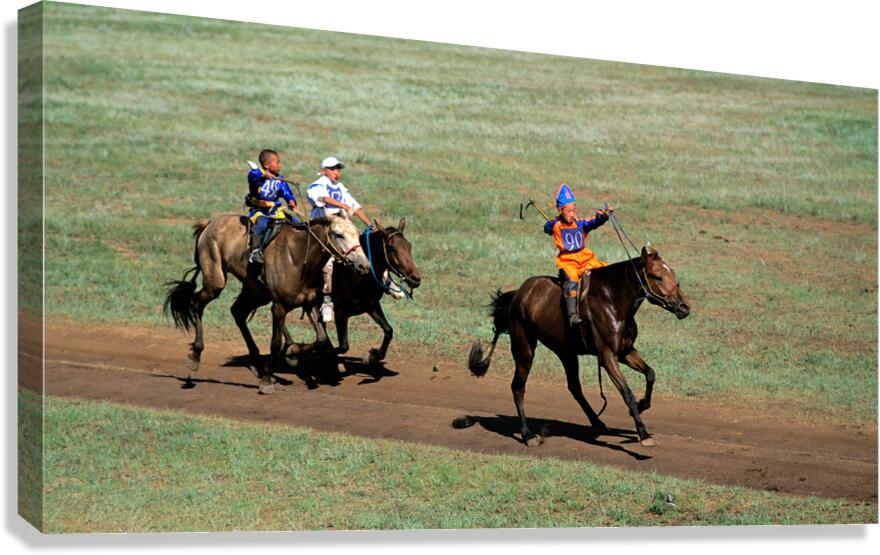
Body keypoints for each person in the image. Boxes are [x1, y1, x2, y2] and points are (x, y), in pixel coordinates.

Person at [307, 156, 403, 323]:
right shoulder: (318, 184)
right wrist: (342, 206)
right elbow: (323, 199)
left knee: (367, 250)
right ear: (323, 171)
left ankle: (387, 281)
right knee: (327, 264)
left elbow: (355, 206)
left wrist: (368, 223)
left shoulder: (341, 187)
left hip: (343, 227)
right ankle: (327, 299)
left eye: (338, 169)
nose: (337, 172)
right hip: (324, 230)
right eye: (333, 169)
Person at [543, 183, 612, 326]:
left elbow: (594, 222)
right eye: (569, 211)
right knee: (572, 282)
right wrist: (552, 223)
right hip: (568, 262)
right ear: (560, 210)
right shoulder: (555, 225)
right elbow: (547, 228)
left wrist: (604, 216)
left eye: (574, 211)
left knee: (607, 271)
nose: (572, 214)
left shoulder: (580, 224)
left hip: (585, 259)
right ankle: (572, 315)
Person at [245, 149, 299, 265]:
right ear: (266, 165)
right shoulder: (256, 174)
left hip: (275, 211)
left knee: (297, 223)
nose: (280, 165)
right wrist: (264, 177)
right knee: (262, 225)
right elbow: (254, 177)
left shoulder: (280, 180)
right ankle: (255, 251)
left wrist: (291, 201)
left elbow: (286, 192)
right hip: (261, 211)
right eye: (277, 162)